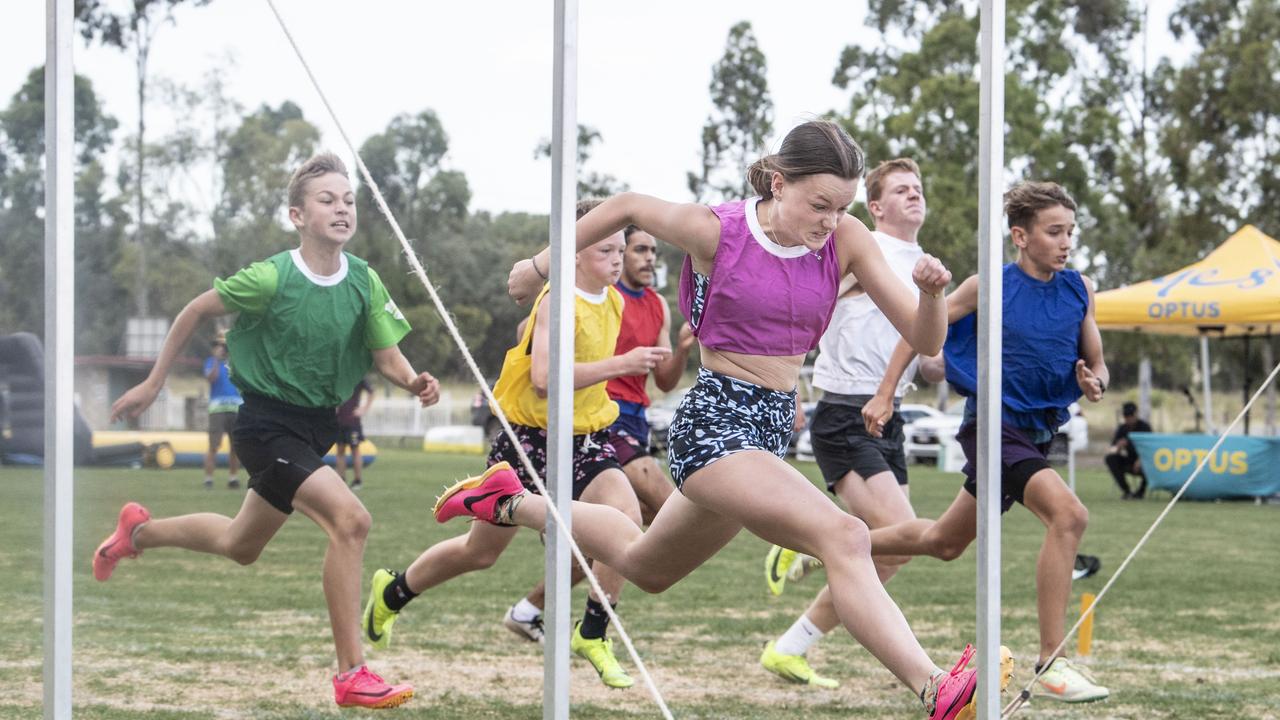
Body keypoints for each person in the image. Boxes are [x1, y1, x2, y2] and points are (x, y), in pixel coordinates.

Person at [440, 121, 980, 720]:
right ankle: (935, 687)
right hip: (717, 421)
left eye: (841, 207)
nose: (829, 220)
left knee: (646, 567)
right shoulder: (717, 230)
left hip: (769, 431)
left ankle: (511, 502)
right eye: (819, 204)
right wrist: (541, 265)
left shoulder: (847, 238)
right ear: (779, 184)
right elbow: (625, 205)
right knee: (846, 535)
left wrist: (932, 294)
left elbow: (923, 336)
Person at [97, 152, 440, 710]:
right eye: (327, 200)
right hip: (264, 425)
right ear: (297, 216)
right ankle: (352, 673)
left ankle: (136, 535)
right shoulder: (269, 277)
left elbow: (387, 355)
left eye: (349, 200)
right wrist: (154, 384)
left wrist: (413, 381)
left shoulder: (364, 281)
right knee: (351, 520)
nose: (342, 208)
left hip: (315, 430)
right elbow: (193, 311)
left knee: (241, 545)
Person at [362, 199, 671, 690]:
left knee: (626, 518)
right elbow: (545, 379)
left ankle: (593, 632)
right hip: (529, 439)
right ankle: (394, 590)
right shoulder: (556, 299)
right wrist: (621, 365)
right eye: (605, 249)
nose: (617, 259)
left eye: (620, 249)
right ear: (571, 253)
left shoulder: (613, 300)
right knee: (480, 553)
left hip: (587, 437)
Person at [867, 181, 1112, 704]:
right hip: (993, 427)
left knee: (943, 542)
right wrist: (886, 393)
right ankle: (1052, 661)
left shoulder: (1079, 290)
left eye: (1070, 231)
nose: (1066, 241)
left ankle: (834, 541)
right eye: (1054, 232)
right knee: (1068, 515)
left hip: (1037, 434)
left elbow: (1097, 361)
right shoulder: (988, 285)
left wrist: (1096, 381)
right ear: (1020, 236)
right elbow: (918, 329)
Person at [759, 157, 945, 689]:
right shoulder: (863, 250)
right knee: (901, 537)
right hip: (847, 409)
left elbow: (924, 353)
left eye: (918, 187)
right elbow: (805, 311)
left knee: (889, 557)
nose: (915, 195)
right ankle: (810, 543)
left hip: (891, 413)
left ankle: (790, 647)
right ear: (876, 206)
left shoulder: (924, 262)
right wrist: (788, 380)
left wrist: (931, 358)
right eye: (902, 190)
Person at [502, 223, 696, 645]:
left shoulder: (657, 306)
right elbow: (533, 347)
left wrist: (681, 350)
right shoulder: (581, 294)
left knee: (609, 540)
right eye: (638, 249)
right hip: (602, 420)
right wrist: (612, 364)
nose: (648, 258)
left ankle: (531, 607)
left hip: (633, 419)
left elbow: (663, 381)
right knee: (663, 512)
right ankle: (592, 626)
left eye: (651, 251)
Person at [203, 331, 242, 490]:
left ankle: (233, 478)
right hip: (217, 409)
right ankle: (208, 479)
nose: (223, 349)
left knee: (236, 446)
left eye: (225, 346)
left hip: (236, 408)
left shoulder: (236, 363)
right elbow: (211, 378)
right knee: (214, 445)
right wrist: (216, 361)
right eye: (219, 346)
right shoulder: (210, 362)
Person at [1105, 401, 1151, 499]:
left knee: (1150, 465)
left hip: (1145, 460)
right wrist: (1118, 447)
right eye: (1126, 416)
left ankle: (1140, 492)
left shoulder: (1144, 427)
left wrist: (1140, 460)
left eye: (1130, 415)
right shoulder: (1122, 428)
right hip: (1129, 459)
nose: (1128, 418)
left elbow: (1150, 447)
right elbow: (1112, 448)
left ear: (1135, 414)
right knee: (1110, 459)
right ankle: (1127, 491)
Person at [336, 377, 374, 489]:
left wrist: (364, 409)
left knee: (355, 450)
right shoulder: (338, 374)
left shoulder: (359, 376)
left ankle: (357, 481)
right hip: (338, 421)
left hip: (352, 422)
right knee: (340, 450)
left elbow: (372, 393)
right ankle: (341, 480)